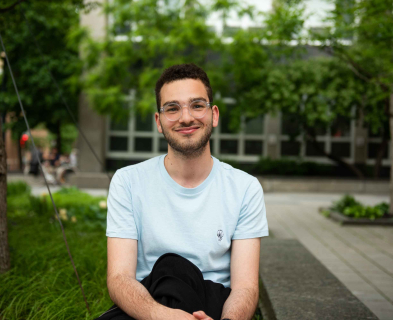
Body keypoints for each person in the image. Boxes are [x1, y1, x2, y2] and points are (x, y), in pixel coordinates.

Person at [101, 64, 269, 320]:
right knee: (171, 268)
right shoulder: (128, 182)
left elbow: (245, 287)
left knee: (177, 269)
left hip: (214, 304)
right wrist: (166, 317)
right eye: (172, 108)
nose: (186, 117)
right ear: (159, 122)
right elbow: (119, 278)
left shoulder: (245, 188)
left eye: (197, 105)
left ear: (214, 115)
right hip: (150, 303)